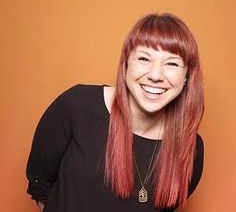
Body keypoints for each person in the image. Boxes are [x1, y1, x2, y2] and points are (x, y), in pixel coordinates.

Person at [26, 13, 204, 212]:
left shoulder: (190, 148)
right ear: (126, 64)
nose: (155, 75)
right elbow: (40, 182)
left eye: (171, 63)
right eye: (144, 58)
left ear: (187, 76)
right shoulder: (77, 106)